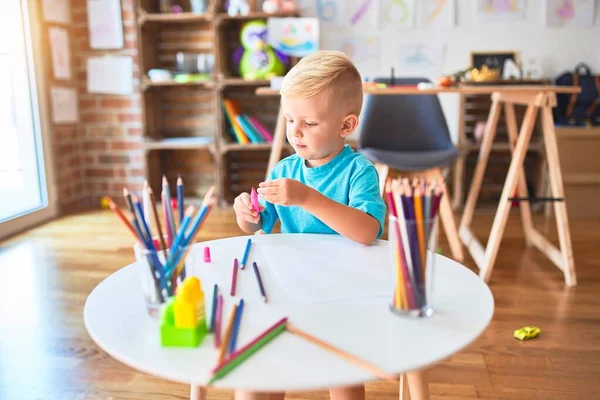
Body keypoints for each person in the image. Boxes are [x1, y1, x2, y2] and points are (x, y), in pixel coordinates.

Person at [233, 50, 387, 400]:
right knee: (258, 370)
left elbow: (366, 231)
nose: (295, 133)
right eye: (289, 120)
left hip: (344, 292)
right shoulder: (284, 170)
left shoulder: (358, 172)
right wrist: (246, 213)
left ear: (346, 126)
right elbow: (258, 226)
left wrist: (307, 198)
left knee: (343, 372)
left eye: (310, 123)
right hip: (290, 285)